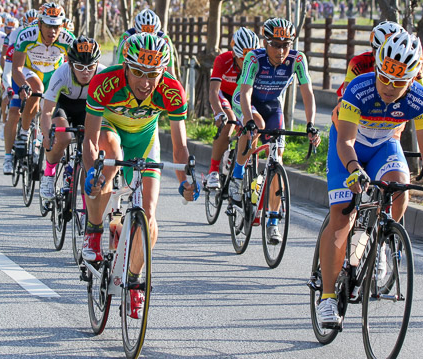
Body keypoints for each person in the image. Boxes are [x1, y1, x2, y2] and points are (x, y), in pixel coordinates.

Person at [317, 30, 423, 327]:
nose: (389, 88)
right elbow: (345, 143)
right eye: (385, 79)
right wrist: (353, 170)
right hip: (348, 145)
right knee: (342, 216)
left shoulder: (420, 99)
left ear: (413, 79)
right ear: (377, 68)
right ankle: (327, 298)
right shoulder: (360, 89)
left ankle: (381, 240)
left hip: (383, 145)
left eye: (399, 82)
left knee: (400, 187)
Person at [81, 32, 197, 319]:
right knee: (109, 159)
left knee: (149, 215)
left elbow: (181, 146)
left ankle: (133, 281)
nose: (146, 83)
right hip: (111, 130)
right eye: (138, 73)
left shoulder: (171, 89)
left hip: (146, 140)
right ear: (125, 67)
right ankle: (94, 230)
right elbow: (90, 140)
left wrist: (185, 180)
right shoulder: (105, 82)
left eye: (153, 74)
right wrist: (90, 174)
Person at [235, 18, 321, 243]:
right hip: (249, 101)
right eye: (275, 44)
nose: (281, 50)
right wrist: (247, 119)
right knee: (256, 125)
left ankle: (273, 220)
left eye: (286, 44)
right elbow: (244, 93)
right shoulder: (254, 58)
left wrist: (311, 124)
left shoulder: (297, 59)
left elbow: (308, 92)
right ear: (265, 42)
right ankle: (237, 173)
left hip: (274, 106)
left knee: (278, 160)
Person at [3, 2, 74, 174]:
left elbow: (73, 69)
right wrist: (22, 87)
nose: (52, 31)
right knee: (37, 89)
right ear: (40, 24)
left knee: (56, 108)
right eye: (48, 25)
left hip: (53, 73)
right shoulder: (27, 35)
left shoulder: (68, 39)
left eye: (56, 26)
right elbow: (16, 68)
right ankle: (24, 134)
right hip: (29, 71)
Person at [39, 37, 105, 201]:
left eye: (90, 67)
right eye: (80, 67)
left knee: (88, 153)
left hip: (88, 109)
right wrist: (47, 135)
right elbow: (47, 111)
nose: (86, 72)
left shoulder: (103, 74)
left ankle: (85, 207)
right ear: (70, 64)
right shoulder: (61, 73)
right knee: (63, 138)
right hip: (64, 106)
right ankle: (49, 173)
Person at [206, 27, 265, 189]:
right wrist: (218, 113)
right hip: (224, 95)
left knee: (258, 124)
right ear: (234, 53)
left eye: (249, 59)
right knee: (228, 123)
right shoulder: (222, 60)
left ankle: (246, 166)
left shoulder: (257, 61)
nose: (246, 64)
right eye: (242, 59)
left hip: (243, 97)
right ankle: (213, 171)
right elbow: (213, 91)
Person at [116, 8, 177, 77]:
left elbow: (170, 72)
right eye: (142, 34)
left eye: (151, 35)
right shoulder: (126, 37)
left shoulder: (165, 40)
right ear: (136, 31)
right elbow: (119, 66)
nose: (146, 39)